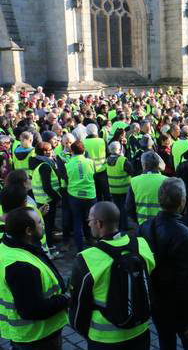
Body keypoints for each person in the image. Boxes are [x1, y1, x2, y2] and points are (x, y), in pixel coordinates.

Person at [69, 201, 155, 349]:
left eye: (90, 221)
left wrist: (86, 334)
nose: (88, 224)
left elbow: (78, 306)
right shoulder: (141, 244)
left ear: (99, 223)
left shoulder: (86, 258)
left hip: (105, 340)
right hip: (140, 331)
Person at [137, 178, 188, 350]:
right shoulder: (186, 236)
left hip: (158, 302)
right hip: (180, 307)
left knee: (166, 342)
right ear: (182, 202)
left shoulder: (145, 227)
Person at [0, 207, 69, 350]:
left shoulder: (8, 246)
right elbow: (32, 309)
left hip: (30, 337)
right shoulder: (21, 267)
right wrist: (65, 298)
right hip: (38, 337)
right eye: (39, 222)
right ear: (28, 231)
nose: (43, 224)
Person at [66, 140, 97, 251]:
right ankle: (92, 240)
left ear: (72, 151)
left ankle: (79, 248)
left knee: (77, 221)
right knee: (91, 219)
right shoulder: (90, 162)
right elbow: (94, 174)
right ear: (84, 150)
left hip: (74, 195)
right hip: (90, 195)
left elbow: (65, 179)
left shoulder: (68, 163)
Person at [30, 142, 62, 246]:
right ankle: (50, 246)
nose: (52, 151)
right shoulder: (45, 166)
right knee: (48, 225)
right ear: (45, 152)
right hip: (47, 200)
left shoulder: (38, 163)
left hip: (41, 199)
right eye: (50, 150)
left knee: (45, 225)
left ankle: (48, 244)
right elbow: (47, 187)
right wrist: (57, 197)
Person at [127, 151, 168, 225]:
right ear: (158, 164)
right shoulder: (167, 181)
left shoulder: (134, 181)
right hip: (163, 224)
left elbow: (129, 207)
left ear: (143, 165)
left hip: (143, 224)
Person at [105, 141, 134, 232]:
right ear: (119, 149)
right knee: (124, 208)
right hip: (124, 188)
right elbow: (131, 171)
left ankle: (119, 226)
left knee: (118, 208)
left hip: (113, 189)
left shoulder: (107, 160)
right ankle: (124, 227)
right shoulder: (122, 160)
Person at [84, 123, 109, 201]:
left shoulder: (83, 142)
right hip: (102, 170)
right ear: (96, 131)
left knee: (96, 194)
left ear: (87, 132)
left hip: (90, 172)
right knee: (106, 193)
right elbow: (107, 154)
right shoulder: (102, 141)